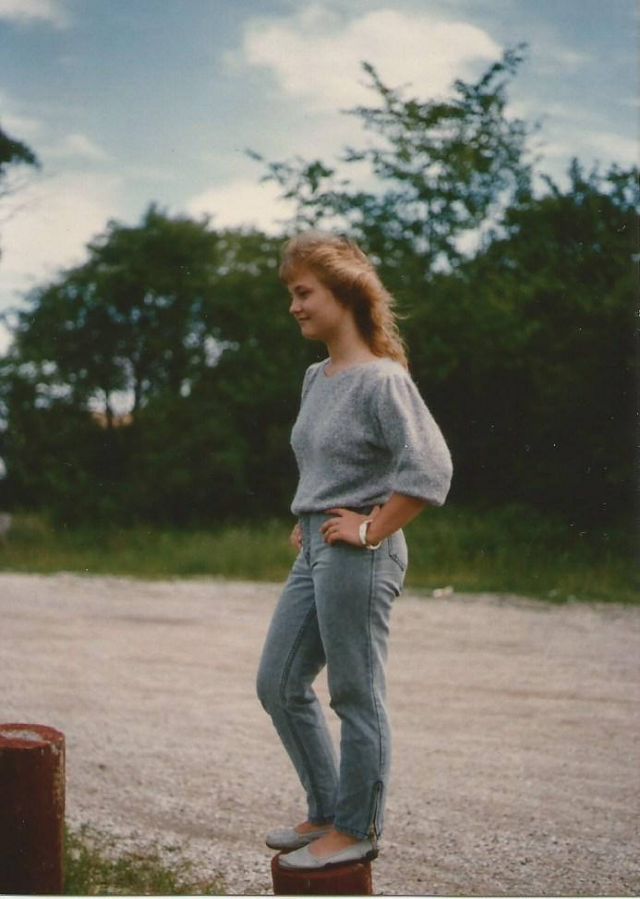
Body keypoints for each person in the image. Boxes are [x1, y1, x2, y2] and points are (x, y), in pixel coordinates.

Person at [256, 231, 453, 870]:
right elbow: (325, 462)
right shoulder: (316, 378)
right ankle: (326, 811)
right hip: (318, 545)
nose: (294, 306)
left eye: (303, 293)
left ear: (343, 294)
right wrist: (310, 515)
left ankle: (357, 828)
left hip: (361, 554)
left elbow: (430, 469)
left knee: (355, 694)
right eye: (292, 295)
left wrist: (371, 529)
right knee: (278, 682)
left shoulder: (382, 380)